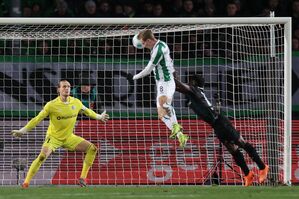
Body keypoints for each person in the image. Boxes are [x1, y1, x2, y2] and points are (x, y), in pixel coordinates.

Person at [174, 74, 269, 186]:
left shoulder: (194, 90)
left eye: (190, 82)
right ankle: (248, 174)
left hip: (220, 122)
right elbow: (175, 87)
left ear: (194, 83)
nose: (188, 84)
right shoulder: (193, 93)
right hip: (216, 125)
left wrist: (169, 71)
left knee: (241, 143)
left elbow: (178, 84)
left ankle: (263, 167)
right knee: (233, 150)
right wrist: (167, 79)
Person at [11, 80, 109, 188]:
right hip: (53, 138)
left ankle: (82, 178)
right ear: (58, 89)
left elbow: (88, 111)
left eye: (68, 86)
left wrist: (99, 117)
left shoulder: (76, 102)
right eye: (64, 87)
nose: (67, 88)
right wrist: (22, 131)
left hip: (68, 137)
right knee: (42, 156)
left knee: (92, 149)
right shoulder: (51, 105)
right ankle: (26, 183)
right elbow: (37, 119)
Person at [132, 29, 189, 148]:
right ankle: (180, 135)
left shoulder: (159, 49)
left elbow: (148, 69)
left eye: (143, 43)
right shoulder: (156, 47)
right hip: (161, 83)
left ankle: (176, 126)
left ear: (148, 40)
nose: (143, 46)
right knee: (162, 115)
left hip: (166, 82)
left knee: (164, 104)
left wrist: (135, 76)